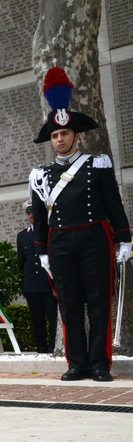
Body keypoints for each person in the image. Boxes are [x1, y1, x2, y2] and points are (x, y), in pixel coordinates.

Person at [28, 67, 131, 382]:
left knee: (99, 301)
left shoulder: (96, 164)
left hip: (94, 238)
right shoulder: (41, 175)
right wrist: (42, 251)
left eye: (65, 134)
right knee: (69, 304)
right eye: (55, 135)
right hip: (60, 243)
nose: (60, 139)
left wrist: (124, 239)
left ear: (75, 135)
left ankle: (100, 363)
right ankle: (77, 363)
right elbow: (40, 218)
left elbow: (113, 204)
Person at [16, 199, 58, 354]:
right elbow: (22, 261)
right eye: (28, 212)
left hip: (48, 283)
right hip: (31, 284)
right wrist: (23, 285)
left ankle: (54, 346)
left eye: (34, 211)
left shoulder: (50, 231)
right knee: (37, 319)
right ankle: (41, 348)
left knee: (53, 317)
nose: (31, 215)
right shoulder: (22, 236)